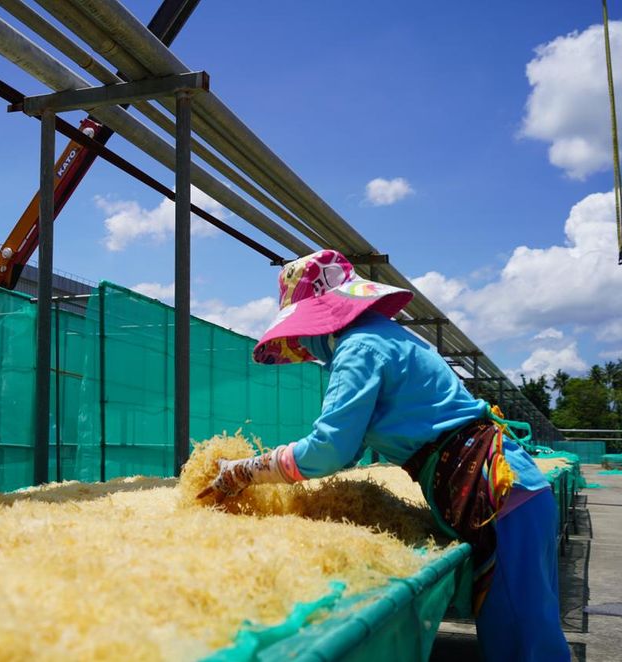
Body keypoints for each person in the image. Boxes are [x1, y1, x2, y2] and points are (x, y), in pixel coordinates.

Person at [201, 249, 570, 662]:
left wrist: (243, 471)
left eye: (301, 334)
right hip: (510, 491)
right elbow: (350, 447)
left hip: (499, 495)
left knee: (523, 642)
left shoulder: (359, 348)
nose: (303, 347)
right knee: (526, 630)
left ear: (319, 318)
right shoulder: (385, 336)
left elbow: (328, 452)